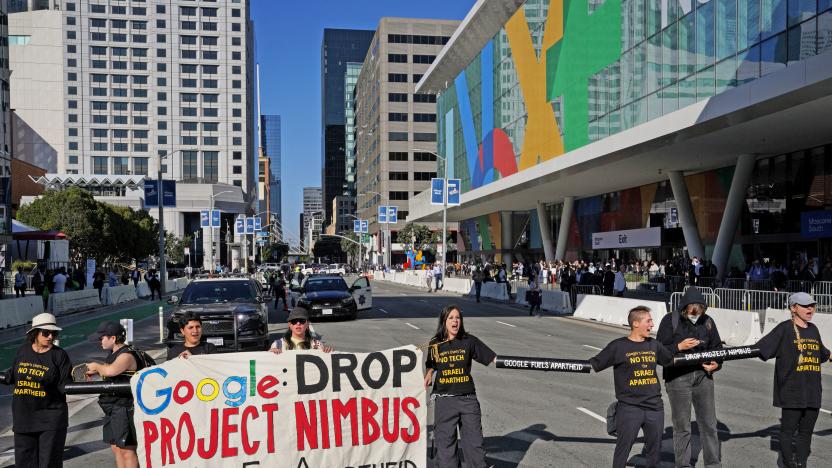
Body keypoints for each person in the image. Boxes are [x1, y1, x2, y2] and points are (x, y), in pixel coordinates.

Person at [590, 306, 673, 468]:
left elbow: (671, 360)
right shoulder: (618, 346)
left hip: (654, 408)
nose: (652, 325)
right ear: (636, 324)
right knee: (623, 450)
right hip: (629, 408)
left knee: (655, 453)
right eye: (648, 321)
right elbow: (594, 364)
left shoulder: (654, 345)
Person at [755, 292, 831, 468]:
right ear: (793, 308)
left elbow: (822, 353)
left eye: (812, 305)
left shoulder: (813, 329)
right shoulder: (784, 329)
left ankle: (801, 463)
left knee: (806, 433)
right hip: (791, 392)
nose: (810, 309)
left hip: (813, 392)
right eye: (805, 306)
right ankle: (789, 464)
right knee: (788, 432)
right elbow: (760, 348)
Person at [656, 288, 723, 468]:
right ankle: (683, 465)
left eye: (699, 311)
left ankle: (713, 464)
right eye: (692, 311)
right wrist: (679, 346)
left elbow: (717, 348)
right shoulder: (670, 320)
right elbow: (659, 352)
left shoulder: (708, 322)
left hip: (703, 377)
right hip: (678, 378)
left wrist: (717, 363)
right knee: (682, 427)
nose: (695, 314)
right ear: (684, 308)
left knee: (709, 424)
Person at [424, 305, 496, 468]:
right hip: (445, 401)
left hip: (467, 400)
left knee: (475, 444)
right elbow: (431, 364)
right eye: (451, 318)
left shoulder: (469, 341)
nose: (455, 321)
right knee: (445, 447)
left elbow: (491, 357)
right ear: (444, 321)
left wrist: (511, 362)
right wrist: (428, 373)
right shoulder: (435, 343)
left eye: (458, 318)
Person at [10, 313, 72, 468]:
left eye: (54, 333)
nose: (50, 336)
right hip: (23, 418)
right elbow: (12, 375)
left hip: (51, 419)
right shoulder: (23, 351)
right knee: (24, 463)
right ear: (35, 333)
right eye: (46, 333)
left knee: (48, 463)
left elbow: (65, 385)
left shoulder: (59, 355)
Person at [85, 322, 140, 468]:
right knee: (116, 448)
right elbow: (111, 370)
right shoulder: (113, 354)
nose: (99, 341)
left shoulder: (126, 355)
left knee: (127, 450)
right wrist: (98, 370)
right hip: (112, 407)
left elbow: (111, 371)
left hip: (124, 407)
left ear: (114, 338)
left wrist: (97, 366)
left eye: (102, 338)